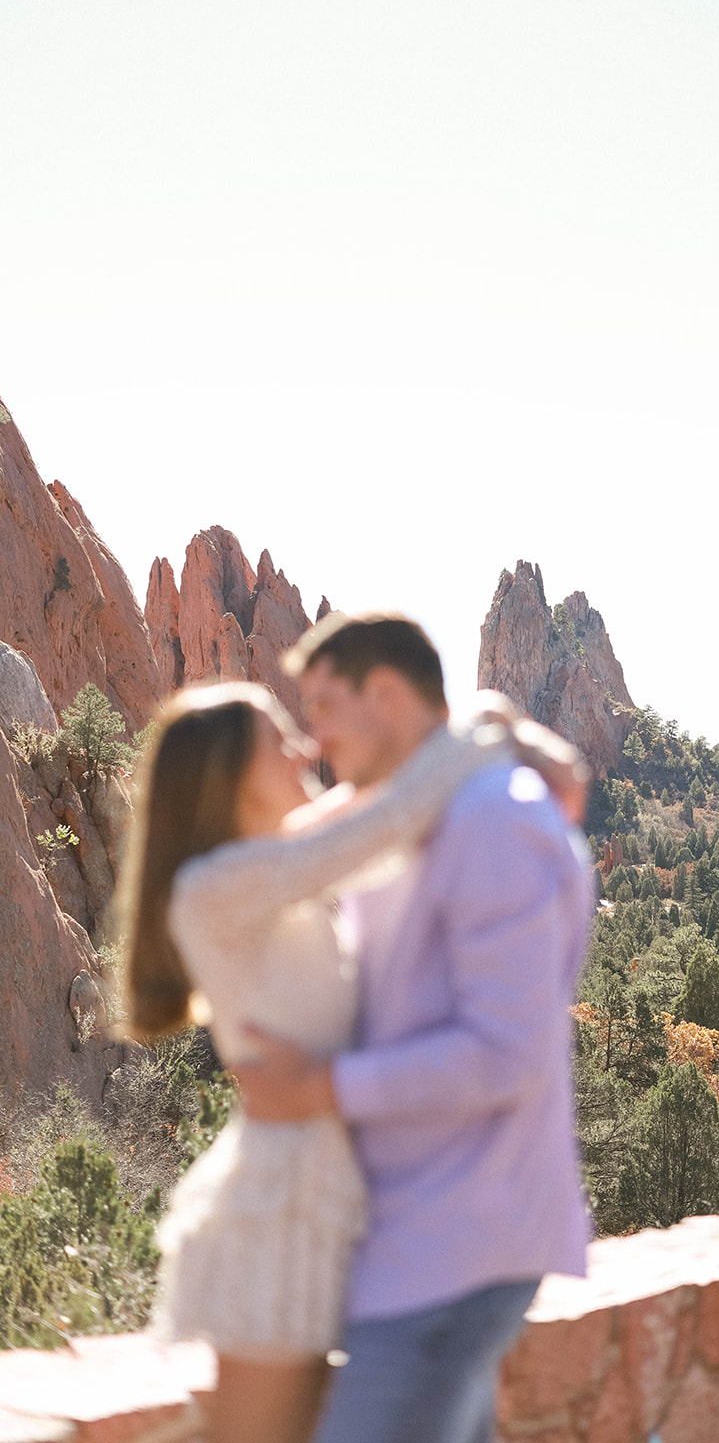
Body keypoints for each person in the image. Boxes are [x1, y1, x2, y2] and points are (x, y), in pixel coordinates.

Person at [118, 671, 575, 1443]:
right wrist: (482, 727)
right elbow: (380, 823)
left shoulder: (274, 873)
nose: (303, 746)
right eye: (277, 738)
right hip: (283, 1208)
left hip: (351, 1202)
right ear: (227, 773)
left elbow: (368, 821)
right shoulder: (212, 887)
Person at [236, 612, 594, 1443]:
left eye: (325, 706)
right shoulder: (409, 813)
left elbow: (506, 1055)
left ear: (388, 695)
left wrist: (316, 1088)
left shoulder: (492, 820)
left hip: (459, 1243)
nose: (314, 736)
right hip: (418, 1240)